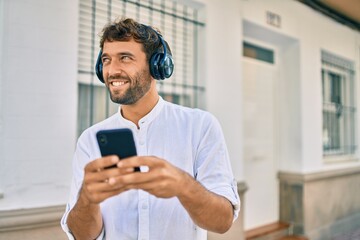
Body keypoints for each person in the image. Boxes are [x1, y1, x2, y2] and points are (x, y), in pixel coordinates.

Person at [61, 17, 240, 240]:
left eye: (125, 58)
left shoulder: (200, 126)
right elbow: (82, 236)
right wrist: (88, 198)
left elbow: (222, 222)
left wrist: (183, 185)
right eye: (106, 60)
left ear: (157, 65)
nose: (112, 70)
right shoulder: (90, 139)